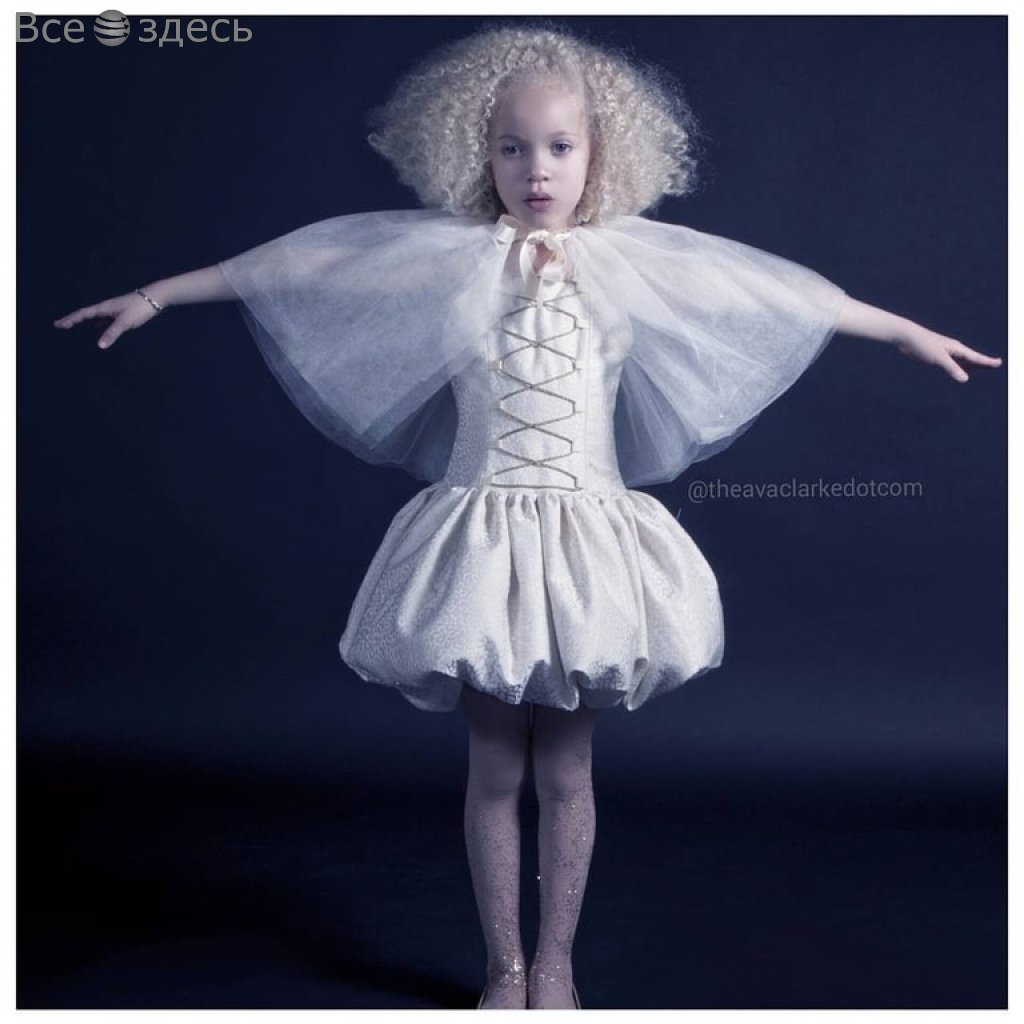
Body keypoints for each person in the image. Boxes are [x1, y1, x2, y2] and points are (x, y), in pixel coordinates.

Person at [52, 22, 1002, 1011]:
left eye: (558, 146)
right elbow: (307, 267)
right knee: (497, 762)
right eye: (512, 147)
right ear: (479, 153)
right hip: (484, 544)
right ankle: (504, 968)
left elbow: (774, 293)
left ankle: (557, 965)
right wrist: (159, 295)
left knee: (569, 769)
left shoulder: (633, 262)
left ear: (600, 155)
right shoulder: (451, 259)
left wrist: (903, 329)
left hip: (587, 545)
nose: (536, 169)